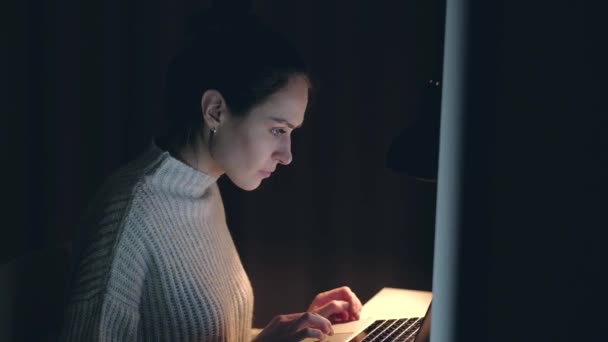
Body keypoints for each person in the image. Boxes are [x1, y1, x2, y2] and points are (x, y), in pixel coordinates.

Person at [60, 7, 362, 342]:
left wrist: (297, 328)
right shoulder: (131, 216)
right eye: (278, 129)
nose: (287, 155)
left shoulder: (203, 189)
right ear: (215, 110)